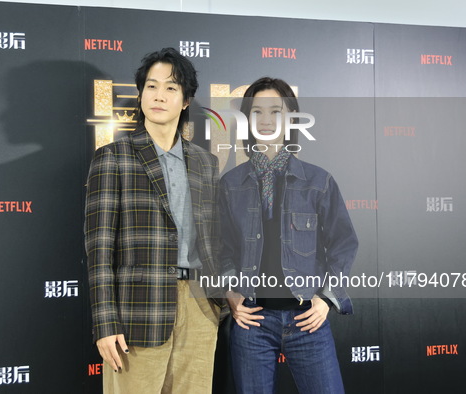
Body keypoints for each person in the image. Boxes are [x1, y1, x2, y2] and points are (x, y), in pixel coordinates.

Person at [85, 47, 222, 394]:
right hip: (137, 310)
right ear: (141, 93)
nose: (159, 95)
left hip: (200, 306)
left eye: (171, 88)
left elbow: (214, 239)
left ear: (186, 100)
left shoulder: (206, 163)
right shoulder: (113, 157)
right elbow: (99, 250)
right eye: (151, 86)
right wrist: (105, 322)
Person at [219, 77, 358, 394]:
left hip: (307, 319)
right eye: (257, 112)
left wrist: (326, 298)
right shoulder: (230, 184)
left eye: (275, 112)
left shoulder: (318, 181)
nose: (266, 121)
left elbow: (344, 243)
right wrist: (230, 295)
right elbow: (221, 249)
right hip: (252, 322)